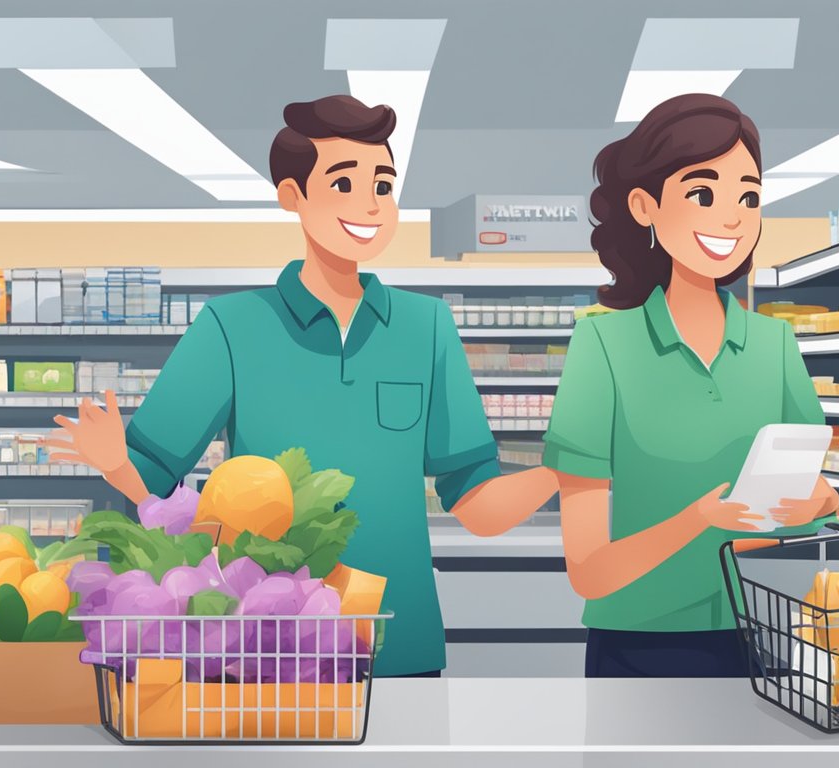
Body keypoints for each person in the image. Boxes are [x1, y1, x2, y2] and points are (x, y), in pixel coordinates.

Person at [47, 95, 558, 678]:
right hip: (265, 655)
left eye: (383, 186)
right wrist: (115, 465)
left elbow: (474, 501)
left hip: (398, 641)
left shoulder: (428, 326)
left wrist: (565, 469)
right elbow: (155, 486)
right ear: (293, 196)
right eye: (344, 184)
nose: (369, 204)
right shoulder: (231, 328)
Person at [544, 93, 839, 678]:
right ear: (644, 206)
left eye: (748, 197)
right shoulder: (603, 348)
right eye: (702, 194)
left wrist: (820, 502)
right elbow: (587, 570)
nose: (732, 217)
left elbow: (819, 489)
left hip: (762, 628)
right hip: (638, 642)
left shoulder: (775, 344)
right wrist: (698, 520)